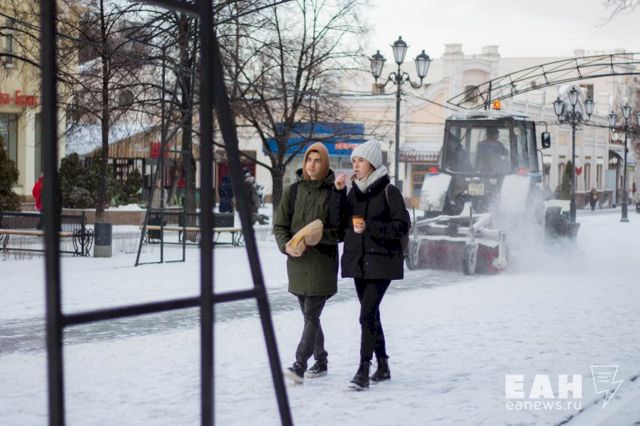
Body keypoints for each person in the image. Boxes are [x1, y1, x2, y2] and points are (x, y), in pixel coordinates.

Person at [329, 140, 410, 390]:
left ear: (372, 164)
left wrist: (370, 227)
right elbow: (338, 224)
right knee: (371, 315)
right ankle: (383, 365)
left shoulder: (389, 191)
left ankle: (363, 369)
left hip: (382, 263)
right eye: (353, 161)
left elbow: (401, 226)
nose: (355, 165)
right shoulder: (354, 192)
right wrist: (338, 192)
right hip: (358, 263)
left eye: (360, 160)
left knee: (366, 315)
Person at [273, 143, 340, 384]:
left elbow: (340, 231)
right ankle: (321, 359)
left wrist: (318, 237)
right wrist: (286, 246)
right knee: (309, 316)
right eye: (309, 160)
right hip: (298, 263)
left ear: (325, 163)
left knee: (311, 314)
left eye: (317, 160)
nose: (312, 165)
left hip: (322, 264)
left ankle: (299, 364)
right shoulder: (292, 192)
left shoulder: (333, 193)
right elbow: (280, 226)